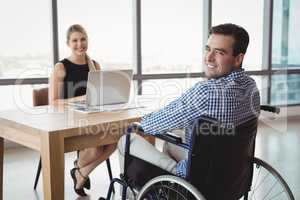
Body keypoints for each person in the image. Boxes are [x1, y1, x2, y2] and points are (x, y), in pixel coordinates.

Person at [117, 23, 260, 178]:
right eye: (208, 49)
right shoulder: (251, 86)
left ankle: (166, 185)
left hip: (200, 176)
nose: (208, 57)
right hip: (232, 174)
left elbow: (155, 124)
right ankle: (168, 188)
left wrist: (139, 124)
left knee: (127, 140)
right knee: (174, 136)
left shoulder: (207, 91)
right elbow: (179, 110)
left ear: (238, 59)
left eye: (219, 52)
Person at [49, 24, 116, 196]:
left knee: (116, 140)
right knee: (95, 148)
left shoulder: (95, 64)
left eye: (83, 39)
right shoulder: (61, 67)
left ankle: (80, 172)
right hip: (68, 121)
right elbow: (53, 101)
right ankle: (79, 172)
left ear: (88, 40)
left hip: (92, 117)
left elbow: (99, 95)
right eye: (75, 40)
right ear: (68, 43)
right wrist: (79, 99)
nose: (80, 44)